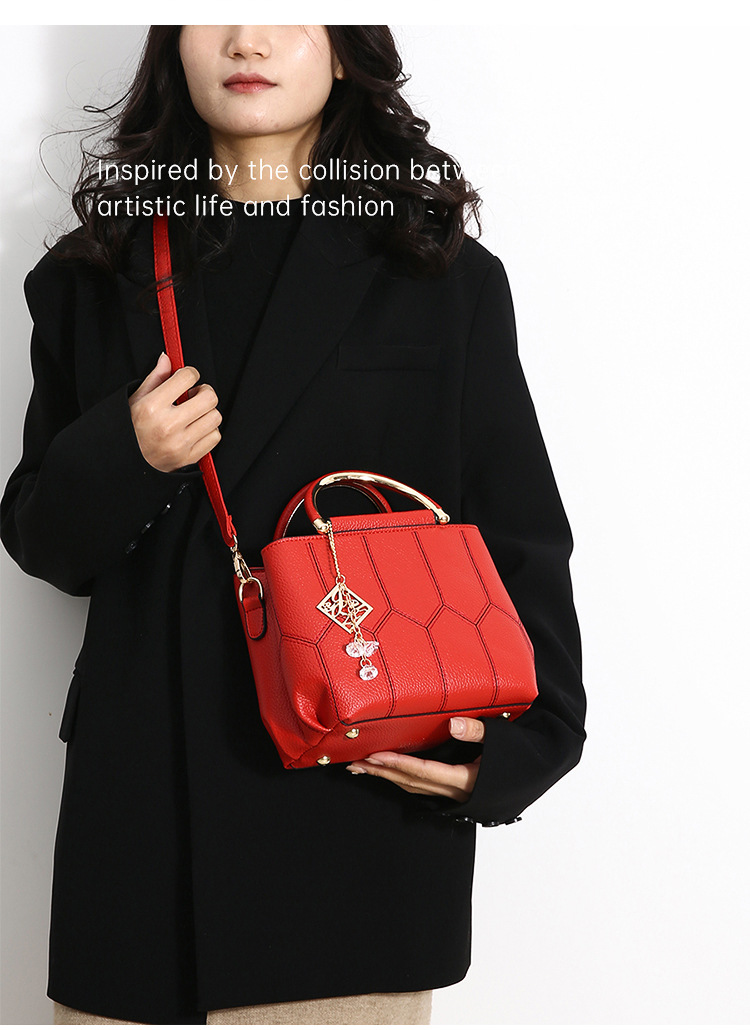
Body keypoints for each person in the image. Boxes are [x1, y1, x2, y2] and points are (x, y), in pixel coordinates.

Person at [0, 25, 586, 1027]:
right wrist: (128, 453)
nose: (248, 36)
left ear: (345, 49)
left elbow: (519, 528)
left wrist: (521, 747)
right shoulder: (94, 271)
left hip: (357, 807)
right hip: (143, 826)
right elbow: (44, 544)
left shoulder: (437, 271)